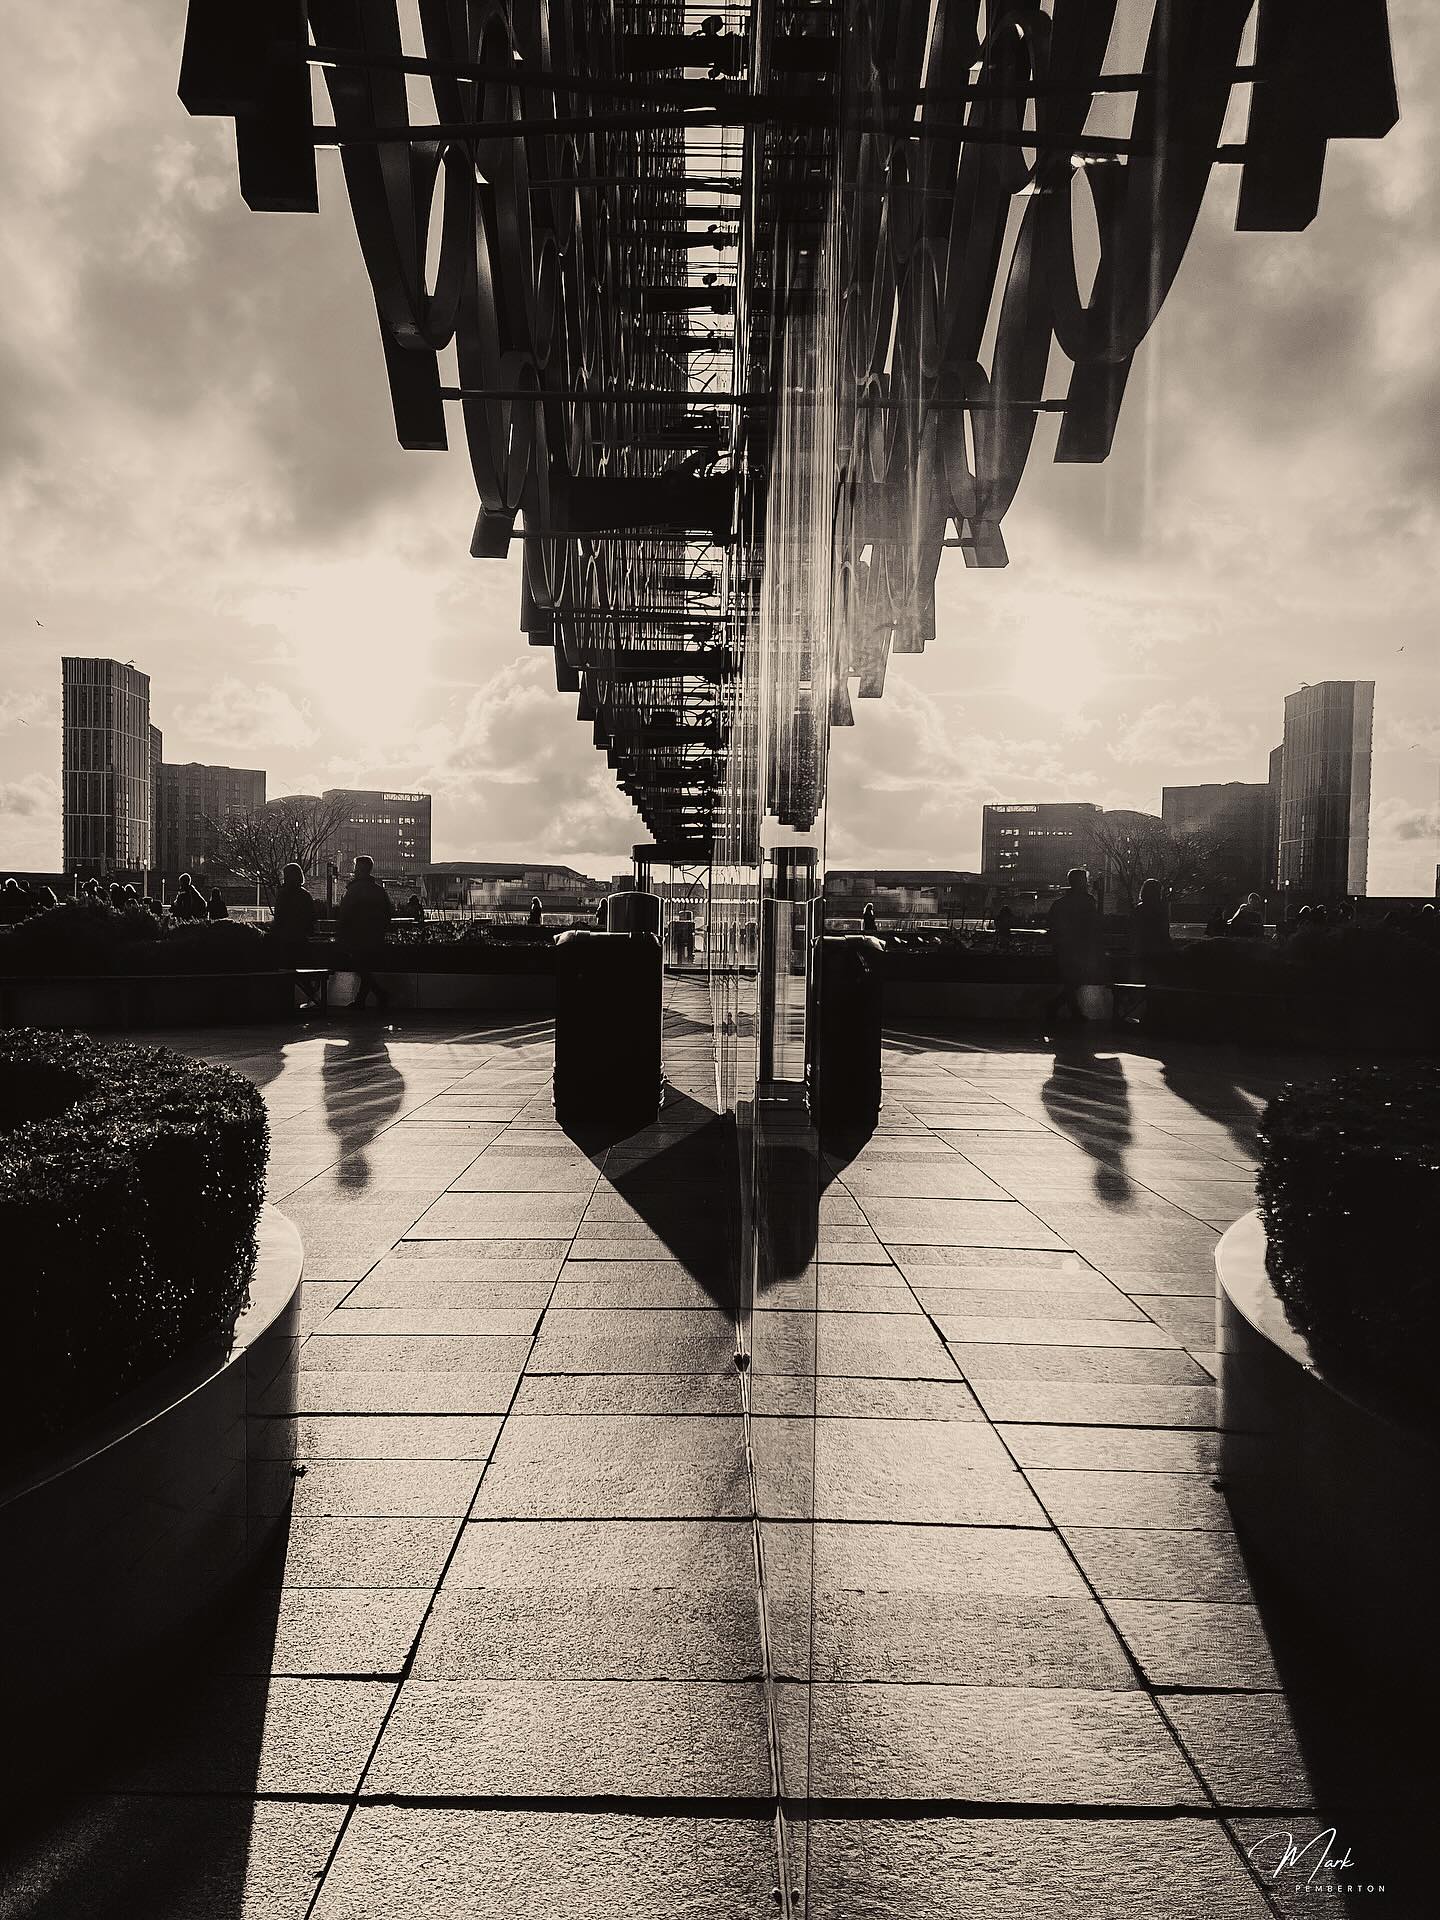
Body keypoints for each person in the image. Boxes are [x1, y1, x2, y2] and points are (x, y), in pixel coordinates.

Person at [1046, 867, 1104, 1023]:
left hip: (1064, 949)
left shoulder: (1059, 904)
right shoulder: (1088, 901)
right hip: (1081, 948)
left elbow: (1052, 925)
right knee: (1076, 981)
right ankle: (1062, 1007)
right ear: (1082, 882)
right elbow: (1093, 926)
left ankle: (1065, 1008)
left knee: (1071, 981)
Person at [337, 855, 394, 1011]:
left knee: (361, 967)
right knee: (365, 968)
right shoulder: (378, 891)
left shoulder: (354, 890)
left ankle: (376, 995)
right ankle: (364, 999)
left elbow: (345, 914)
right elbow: (388, 913)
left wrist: (342, 933)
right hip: (374, 936)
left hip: (357, 936)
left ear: (359, 870)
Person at [271, 861, 321, 1002]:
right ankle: (311, 995)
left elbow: (279, 917)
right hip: (301, 938)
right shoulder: (305, 895)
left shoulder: (283, 894)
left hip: (286, 939)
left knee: (286, 970)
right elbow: (312, 917)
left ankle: (287, 1001)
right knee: (300, 970)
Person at [1129, 877, 1171, 977]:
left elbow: (1134, 930)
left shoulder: (1139, 909)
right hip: (1158, 951)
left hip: (1142, 950)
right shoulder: (1160, 910)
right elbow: (1164, 931)